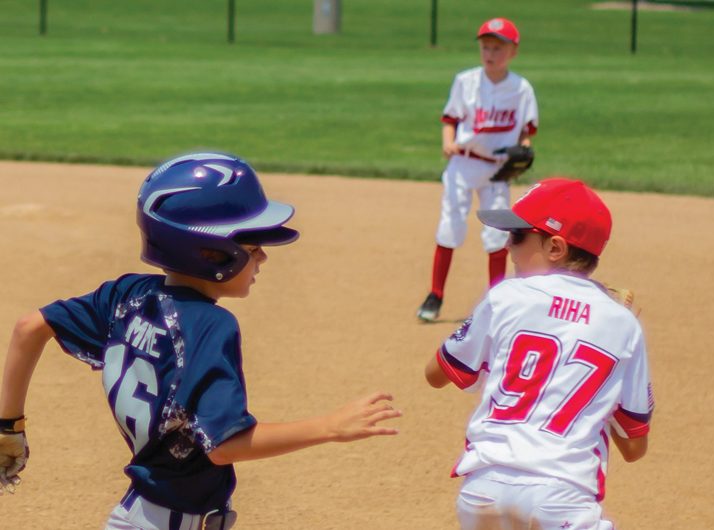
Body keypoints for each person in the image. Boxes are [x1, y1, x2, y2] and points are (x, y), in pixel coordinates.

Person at [0, 152, 401, 529]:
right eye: (251, 245)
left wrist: (8, 427)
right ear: (210, 253)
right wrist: (330, 427)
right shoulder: (211, 326)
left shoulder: (126, 296)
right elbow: (225, 445)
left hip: (140, 510)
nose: (262, 257)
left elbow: (29, 327)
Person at [424, 178, 654, 529]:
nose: (508, 245)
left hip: (482, 493)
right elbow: (634, 449)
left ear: (556, 247)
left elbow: (436, 374)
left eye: (517, 236)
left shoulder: (505, 297)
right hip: (562, 499)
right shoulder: (622, 325)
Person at [417, 17, 539, 322]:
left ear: (513, 51)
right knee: (451, 224)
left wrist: (523, 148)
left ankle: (495, 301)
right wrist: (448, 142)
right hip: (463, 163)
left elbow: (527, 129)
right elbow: (450, 118)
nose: (490, 53)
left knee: (497, 233)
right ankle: (436, 295)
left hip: (498, 169)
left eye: (498, 48)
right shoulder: (465, 81)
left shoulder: (521, 89)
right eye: (486, 47)